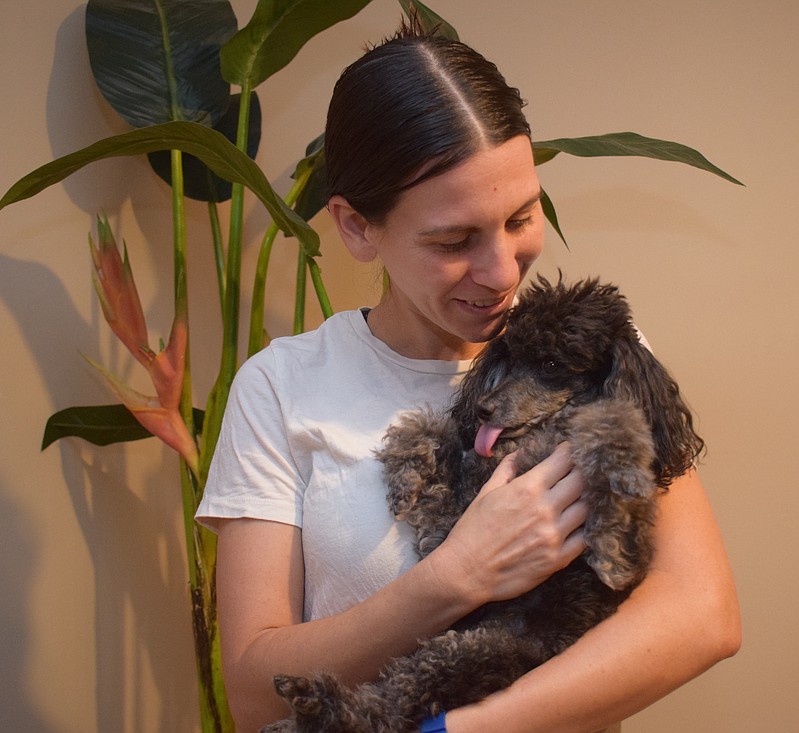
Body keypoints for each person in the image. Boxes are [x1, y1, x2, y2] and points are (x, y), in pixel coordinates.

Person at [196, 20, 740, 733]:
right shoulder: (280, 386)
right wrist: (457, 576)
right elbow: (253, 691)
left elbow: (702, 613)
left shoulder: (593, 351)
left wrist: (458, 730)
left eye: (521, 218)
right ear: (357, 227)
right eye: (454, 241)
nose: (502, 273)